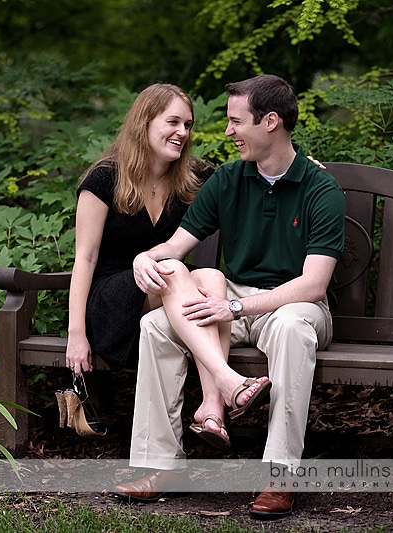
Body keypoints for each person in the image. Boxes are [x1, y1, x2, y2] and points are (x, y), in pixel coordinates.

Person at [111, 74, 346, 520]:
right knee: (155, 325)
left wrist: (235, 306)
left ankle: (279, 478)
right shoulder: (227, 180)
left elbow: (314, 285)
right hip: (234, 299)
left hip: (294, 303)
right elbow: (176, 247)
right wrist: (147, 256)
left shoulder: (321, 189)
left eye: (236, 121)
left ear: (271, 121)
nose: (227, 132)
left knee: (294, 329)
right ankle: (161, 467)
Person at [65, 83, 270, 436]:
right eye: (172, 122)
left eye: (187, 125)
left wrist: (304, 166)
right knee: (176, 269)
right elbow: (84, 259)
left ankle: (211, 409)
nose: (182, 133)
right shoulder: (104, 179)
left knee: (212, 279)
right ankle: (227, 381)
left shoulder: (190, 178)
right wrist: (76, 333)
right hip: (112, 302)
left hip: (165, 292)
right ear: (145, 122)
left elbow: (248, 177)